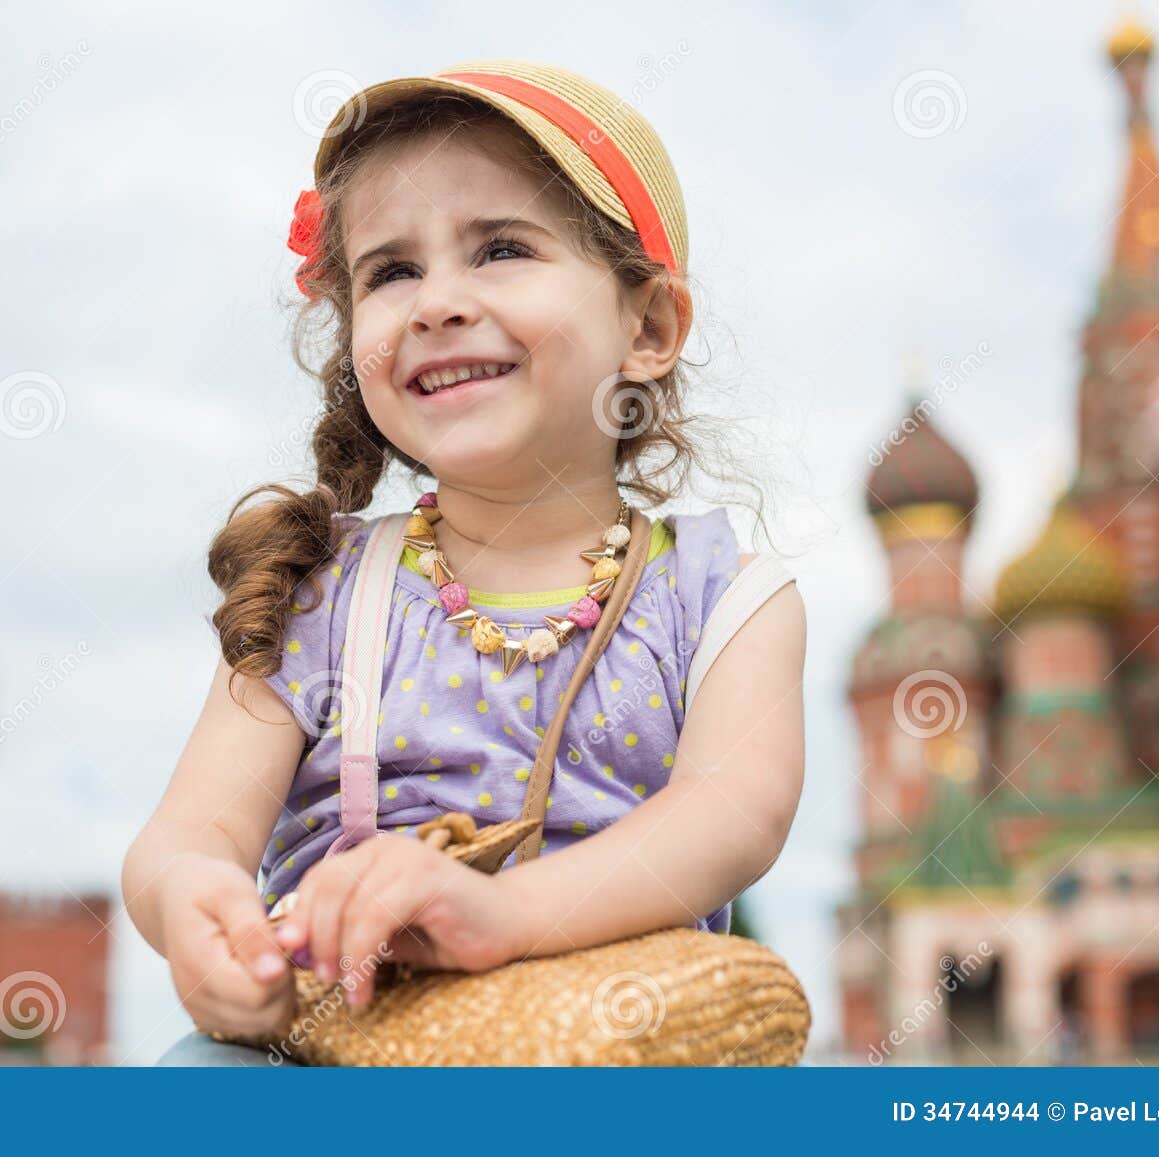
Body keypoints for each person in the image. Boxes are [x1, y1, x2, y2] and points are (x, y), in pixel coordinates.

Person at [123, 60, 807, 1066]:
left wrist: (503, 912)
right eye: (391, 271)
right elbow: (184, 838)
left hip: (604, 1052)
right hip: (326, 1048)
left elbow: (732, 812)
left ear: (649, 327)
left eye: (499, 248)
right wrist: (192, 898)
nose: (436, 300)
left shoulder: (727, 598)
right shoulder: (314, 588)